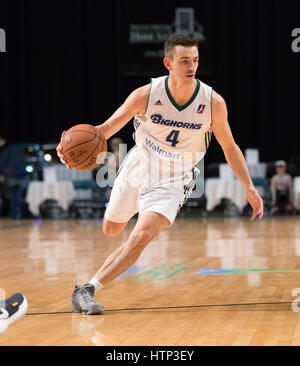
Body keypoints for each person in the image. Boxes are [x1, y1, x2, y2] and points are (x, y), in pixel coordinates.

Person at [57, 34, 264, 315]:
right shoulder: (145, 95)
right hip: (139, 166)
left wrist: (249, 186)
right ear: (168, 63)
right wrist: (68, 147)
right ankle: (130, 219)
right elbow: (103, 130)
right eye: (184, 61)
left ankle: (86, 289)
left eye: (195, 60)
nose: (191, 66)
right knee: (111, 230)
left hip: (174, 179)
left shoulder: (213, 102)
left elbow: (230, 146)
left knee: (141, 236)